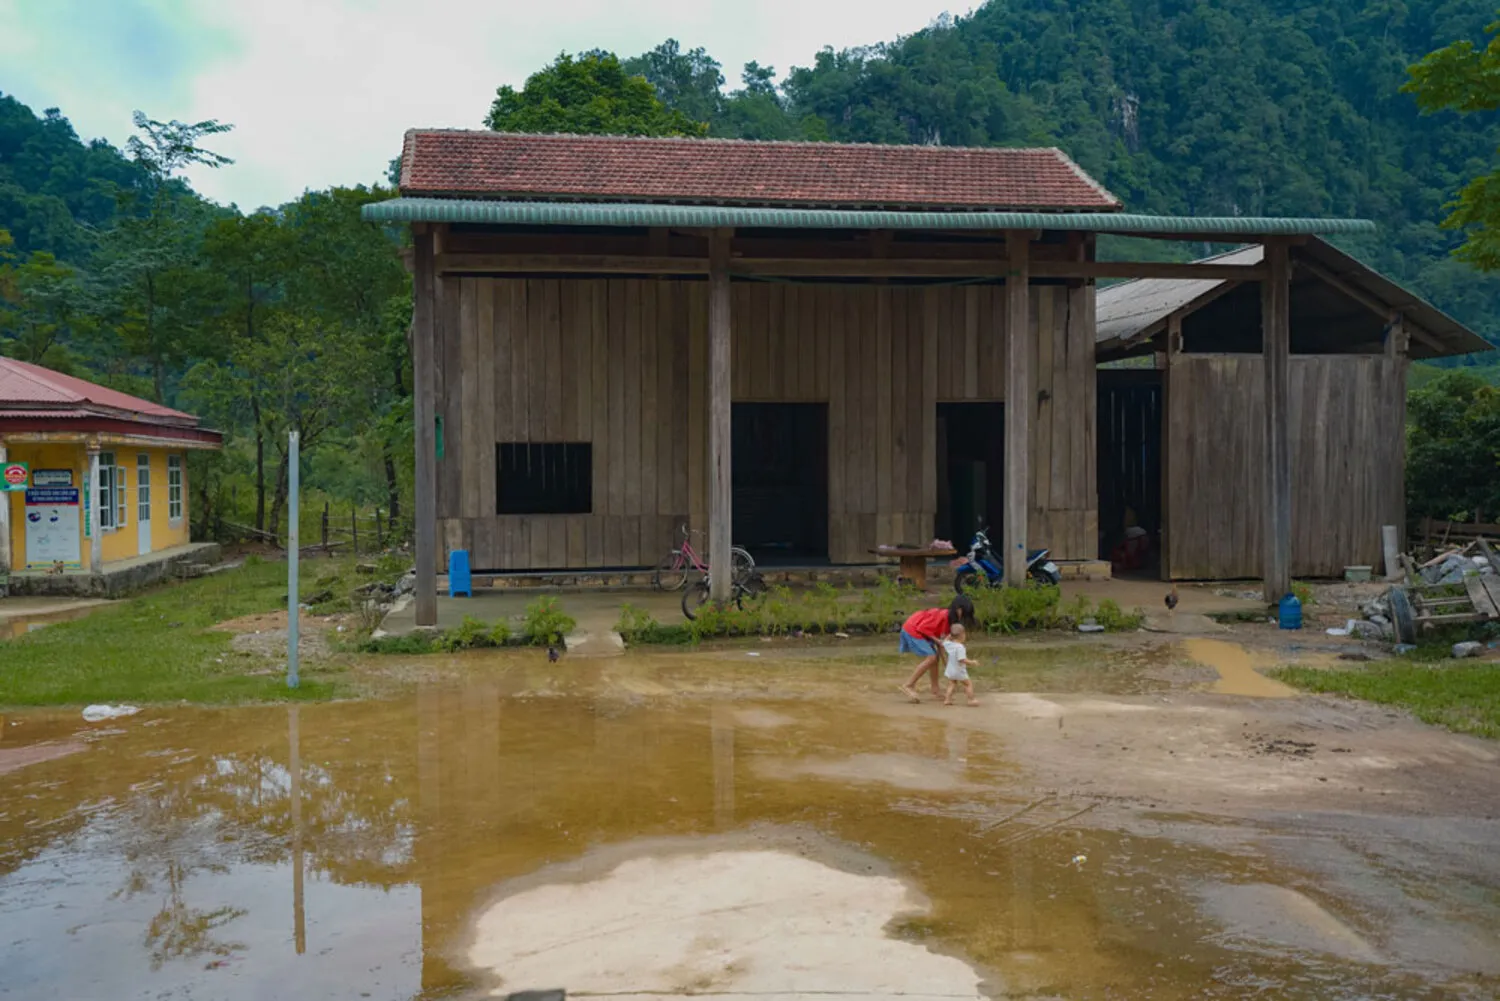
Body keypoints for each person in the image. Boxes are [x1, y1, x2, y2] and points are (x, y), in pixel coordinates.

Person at [898, 594, 975, 702]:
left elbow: (942, 646)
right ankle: (908, 685)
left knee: (935, 658)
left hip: (919, 631)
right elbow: (922, 627)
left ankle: (935, 690)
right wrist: (937, 640)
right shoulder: (943, 616)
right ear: (958, 609)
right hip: (912, 629)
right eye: (964, 614)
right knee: (931, 657)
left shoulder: (950, 623)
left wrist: (948, 665)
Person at [941, 623, 979, 706]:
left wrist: (950, 635)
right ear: (962, 635)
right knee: (968, 684)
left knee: (952, 684)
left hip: (951, 670)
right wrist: (972, 662)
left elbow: (944, 642)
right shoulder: (960, 647)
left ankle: (947, 699)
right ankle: (971, 699)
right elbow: (962, 659)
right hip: (959, 670)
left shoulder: (949, 644)